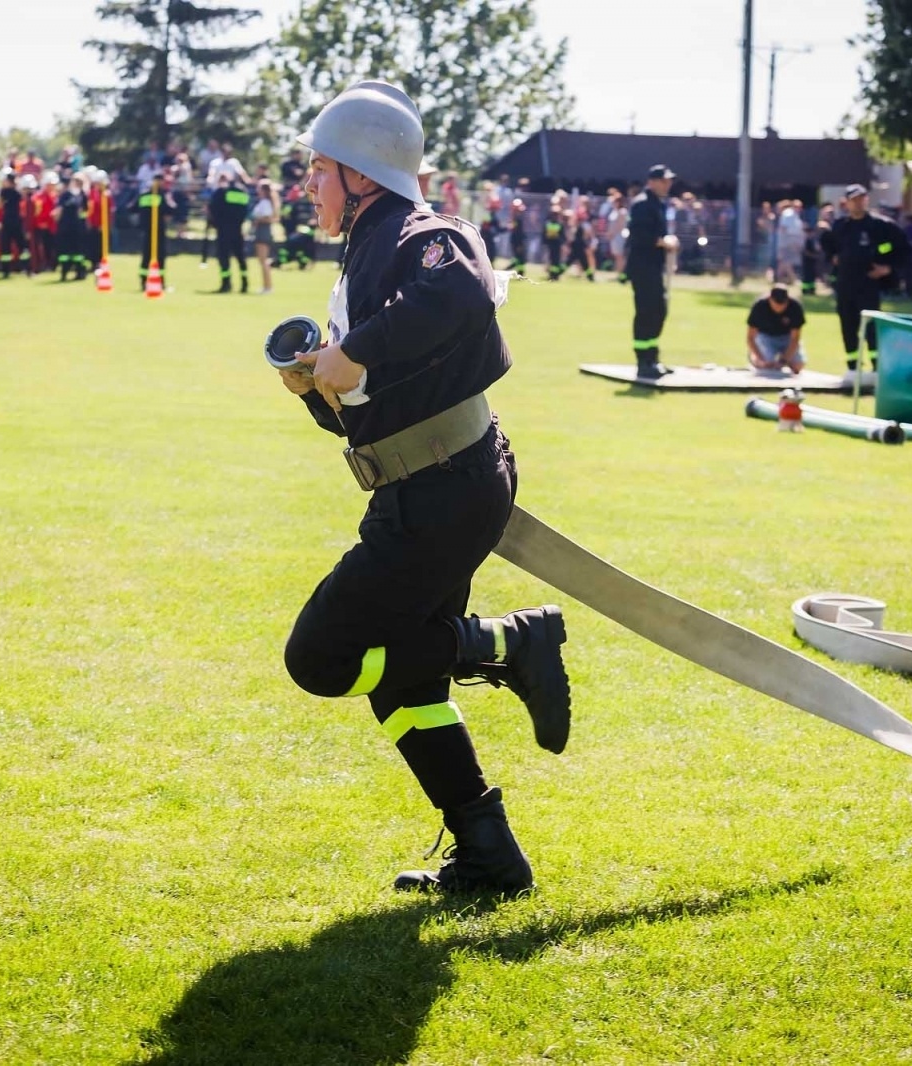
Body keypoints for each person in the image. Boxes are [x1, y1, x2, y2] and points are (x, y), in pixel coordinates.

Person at [278, 80, 569, 897]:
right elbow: (366, 419)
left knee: (320, 659)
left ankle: (508, 643)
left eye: (319, 168)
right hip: (424, 486)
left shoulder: (423, 232)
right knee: (405, 689)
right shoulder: (363, 254)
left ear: (363, 175)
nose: (307, 183)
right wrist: (318, 392)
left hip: (445, 488)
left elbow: (463, 291)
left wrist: (357, 349)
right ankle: (489, 856)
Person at [820, 183, 908, 380]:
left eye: (862, 199)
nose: (858, 203)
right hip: (845, 284)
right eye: (854, 200)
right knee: (848, 325)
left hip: (868, 284)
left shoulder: (881, 225)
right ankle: (853, 367)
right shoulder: (841, 226)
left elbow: (903, 248)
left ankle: (877, 368)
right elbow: (830, 246)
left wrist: (887, 268)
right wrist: (833, 257)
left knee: (870, 326)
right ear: (847, 203)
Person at [626, 164, 680, 379]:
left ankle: (653, 357)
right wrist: (663, 241)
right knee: (647, 311)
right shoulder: (642, 204)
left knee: (659, 310)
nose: (668, 185)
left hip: (655, 266)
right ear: (652, 181)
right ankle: (643, 361)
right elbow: (639, 236)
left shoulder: (659, 204)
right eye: (664, 181)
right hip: (642, 266)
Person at [746, 285, 808, 372]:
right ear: (770, 299)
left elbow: (795, 338)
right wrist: (760, 358)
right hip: (765, 337)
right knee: (767, 364)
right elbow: (750, 337)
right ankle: (754, 358)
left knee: (797, 366)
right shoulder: (759, 307)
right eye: (776, 304)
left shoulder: (795, 307)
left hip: (787, 338)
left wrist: (784, 360)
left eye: (783, 304)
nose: (779, 307)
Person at [209, 167, 252, 293]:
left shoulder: (221, 191)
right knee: (240, 257)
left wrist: (215, 223)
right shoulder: (243, 192)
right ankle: (244, 283)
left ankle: (226, 284)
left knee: (224, 257)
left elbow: (213, 209)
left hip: (223, 230)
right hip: (238, 229)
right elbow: (245, 210)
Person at [136, 172, 171, 290]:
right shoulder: (161, 195)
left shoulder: (144, 195)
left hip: (146, 230)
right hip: (158, 230)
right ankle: (160, 282)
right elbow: (170, 210)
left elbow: (133, 208)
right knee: (160, 256)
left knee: (146, 256)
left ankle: (143, 281)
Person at [0, 173, 30, 277]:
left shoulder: (4, 192)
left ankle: (6, 271)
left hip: (7, 222)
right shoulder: (18, 192)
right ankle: (27, 269)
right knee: (22, 247)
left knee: (5, 248)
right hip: (17, 222)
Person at [55, 177, 90, 281]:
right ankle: (79, 273)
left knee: (68, 252)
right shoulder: (82, 195)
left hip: (68, 227)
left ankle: (67, 273)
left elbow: (59, 211)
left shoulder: (66, 195)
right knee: (76, 252)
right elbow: (84, 212)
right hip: (76, 227)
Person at [250, 178, 279, 294]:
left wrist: (257, 220)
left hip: (263, 230)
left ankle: (268, 287)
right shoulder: (264, 202)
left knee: (263, 261)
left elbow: (268, 218)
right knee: (262, 260)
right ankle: (266, 286)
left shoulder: (265, 203)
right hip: (261, 230)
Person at [542, 192, 567, 281]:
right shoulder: (547, 223)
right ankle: (552, 275)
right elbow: (544, 234)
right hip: (550, 244)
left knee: (556, 260)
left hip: (557, 245)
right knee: (551, 260)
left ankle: (555, 275)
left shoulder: (559, 224)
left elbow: (562, 235)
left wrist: (563, 243)